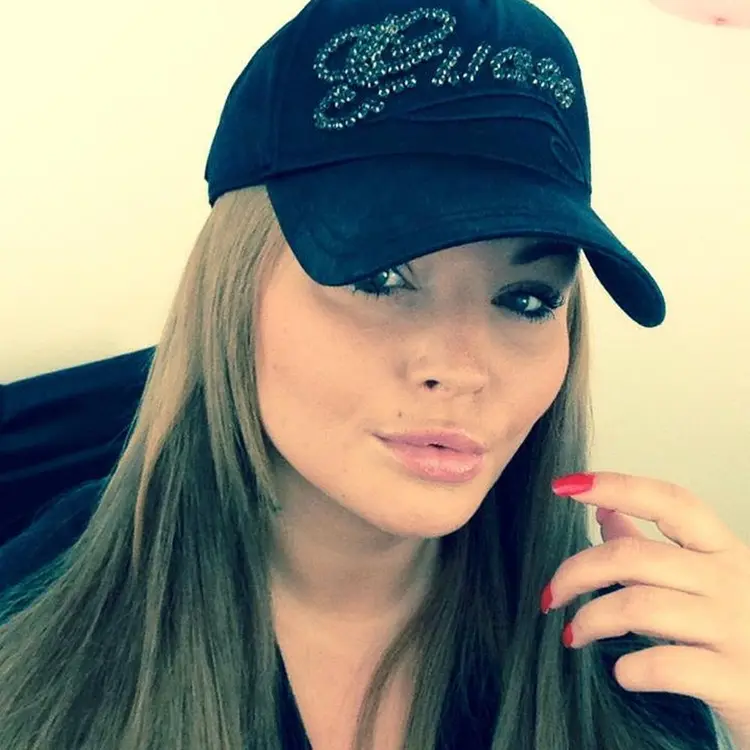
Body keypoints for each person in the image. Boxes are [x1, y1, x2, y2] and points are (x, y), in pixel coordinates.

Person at [1, 0, 747, 748]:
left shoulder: (640, 673)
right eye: (382, 278)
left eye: (526, 299)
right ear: (229, 297)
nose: (461, 369)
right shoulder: (34, 634)